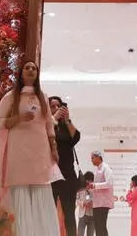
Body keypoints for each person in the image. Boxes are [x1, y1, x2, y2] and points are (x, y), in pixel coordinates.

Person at [0, 60, 59, 235]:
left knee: (41, 188)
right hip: (17, 152)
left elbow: (49, 124)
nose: (31, 70)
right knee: (20, 191)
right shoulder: (11, 97)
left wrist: (53, 147)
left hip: (40, 152)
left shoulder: (43, 97)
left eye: (34, 68)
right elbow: (0, 122)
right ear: (21, 73)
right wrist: (18, 118)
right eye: (27, 68)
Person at [49, 95, 81, 236]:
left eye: (59, 106)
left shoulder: (65, 126)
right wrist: (53, 119)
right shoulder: (46, 125)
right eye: (52, 106)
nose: (56, 109)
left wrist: (67, 119)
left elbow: (76, 137)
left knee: (69, 213)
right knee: (49, 213)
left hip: (68, 175)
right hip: (50, 175)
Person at [89, 151, 114, 236]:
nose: (91, 160)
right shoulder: (98, 169)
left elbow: (109, 183)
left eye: (92, 158)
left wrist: (95, 185)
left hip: (103, 203)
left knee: (101, 226)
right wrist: (92, 187)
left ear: (98, 157)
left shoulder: (106, 168)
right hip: (97, 203)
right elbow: (97, 186)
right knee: (97, 227)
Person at [77, 171, 95, 236]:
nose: (88, 182)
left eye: (90, 180)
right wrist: (83, 204)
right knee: (80, 234)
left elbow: (97, 199)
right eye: (87, 180)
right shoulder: (80, 189)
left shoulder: (94, 189)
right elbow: (77, 199)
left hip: (92, 215)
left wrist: (93, 203)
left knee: (90, 234)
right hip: (82, 214)